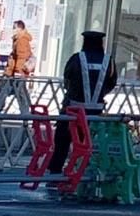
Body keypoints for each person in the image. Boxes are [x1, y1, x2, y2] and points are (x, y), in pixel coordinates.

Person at [47, 30, 118, 176]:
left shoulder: (77, 58)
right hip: (97, 111)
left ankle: (56, 170)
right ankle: (87, 170)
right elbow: (112, 82)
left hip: (73, 108)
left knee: (63, 140)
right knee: (91, 143)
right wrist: (99, 94)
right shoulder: (108, 60)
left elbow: (67, 79)